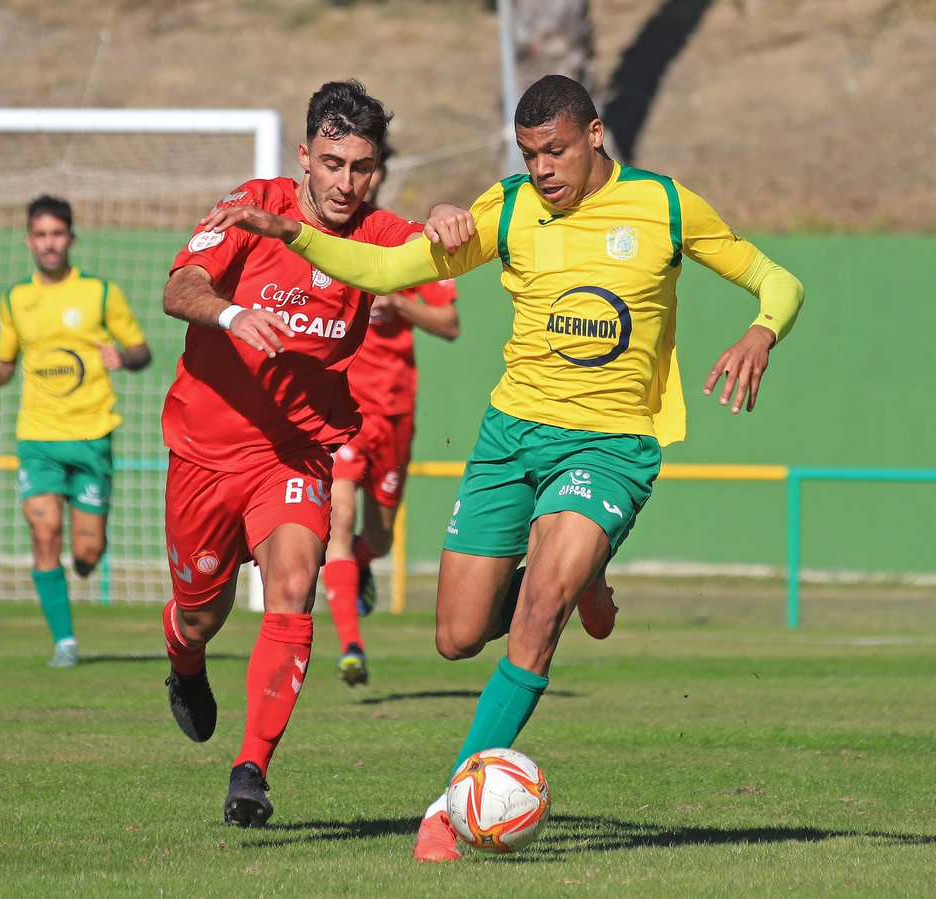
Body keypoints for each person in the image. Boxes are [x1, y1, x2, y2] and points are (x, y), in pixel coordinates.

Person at [197, 75, 805, 860]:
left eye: (554, 150)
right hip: (510, 438)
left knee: (539, 609)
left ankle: (451, 806)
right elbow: (389, 272)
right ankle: (581, 573)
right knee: (455, 635)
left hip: (611, 446)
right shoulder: (510, 207)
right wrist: (291, 232)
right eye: (528, 154)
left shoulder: (665, 205)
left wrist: (760, 332)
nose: (542, 168)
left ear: (593, 134)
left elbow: (777, 279)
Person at [159, 80, 426, 827]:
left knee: (294, 581)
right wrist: (233, 313)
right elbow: (181, 288)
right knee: (199, 615)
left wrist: (445, 221)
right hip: (206, 454)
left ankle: (252, 768)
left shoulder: (373, 235)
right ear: (305, 157)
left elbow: (437, 250)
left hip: (296, 451)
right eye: (333, 163)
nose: (347, 183)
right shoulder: (254, 205)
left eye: (363, 167)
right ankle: (183, 662)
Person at [0, 195, 151, 667]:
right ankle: (65, 644)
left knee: (87, 552)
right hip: (38, 438)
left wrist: (122, 358)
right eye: (41, 235)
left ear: (70, 238)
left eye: (57, 234)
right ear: (29, 240)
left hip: (92, 436)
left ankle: (89, 553)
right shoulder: (15, 300)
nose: (49, 244)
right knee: (44, 531)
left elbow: (141, 351)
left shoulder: (101, 293)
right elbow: (8, 364)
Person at [324, 143, 460, 688]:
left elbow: (449, 323)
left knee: (376, 538)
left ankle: (357, 570)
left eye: (366, 168)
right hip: (345, 412)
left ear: (378, 175)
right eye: (346, 168)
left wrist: (399, 304)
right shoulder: (327, 237)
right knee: (338, 524)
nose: (356, 179)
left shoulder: (404, 240)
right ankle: (351, 646)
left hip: (397, 411)